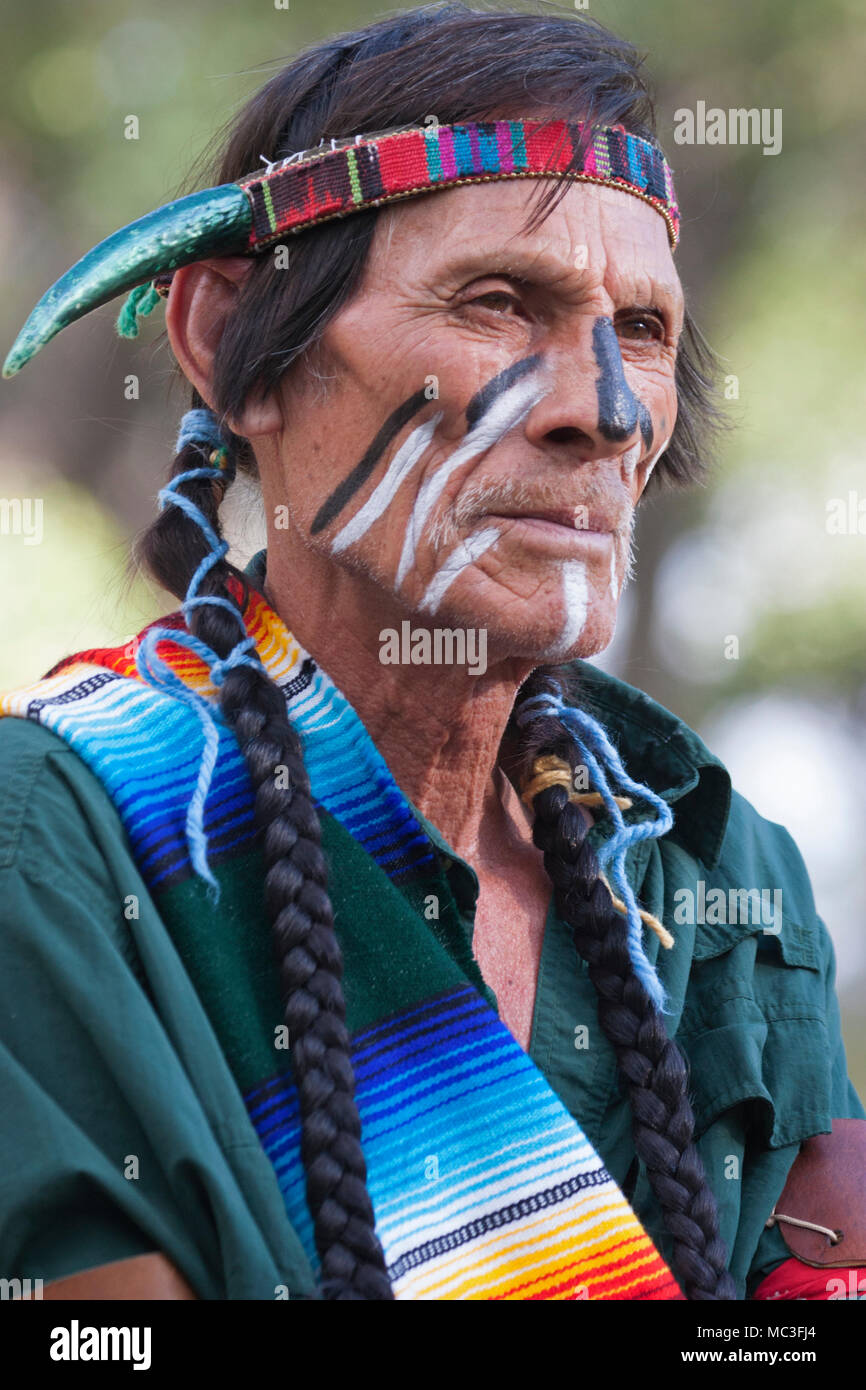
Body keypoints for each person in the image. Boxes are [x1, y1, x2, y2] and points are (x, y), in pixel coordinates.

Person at [1, 4, 863, 1303]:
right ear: (232, 344)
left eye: (640, 332)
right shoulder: (60, 841)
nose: (601, 414)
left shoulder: (705, 859)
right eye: (498, 302)